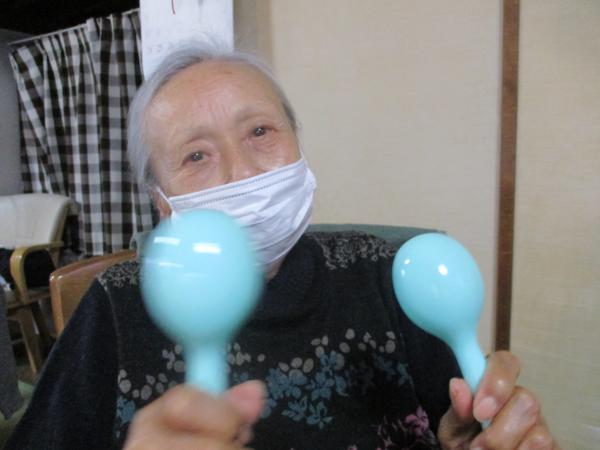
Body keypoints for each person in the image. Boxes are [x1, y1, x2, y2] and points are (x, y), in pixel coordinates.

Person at [6, 42, 558, 450]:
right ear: (162, 203)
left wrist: (479, 435)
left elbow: (460, 423)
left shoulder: (388, 274)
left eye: (260, 132)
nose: (242, 171)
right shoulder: (115, 304)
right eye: (196, 156)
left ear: (298, 144)